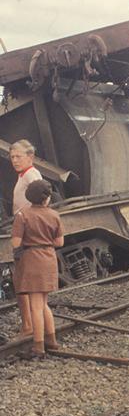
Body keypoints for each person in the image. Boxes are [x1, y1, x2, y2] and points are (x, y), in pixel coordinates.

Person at [11, 179, 63, 356]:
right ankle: (52, 341)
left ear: (28, 197)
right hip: (49, 258)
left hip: (32, 260)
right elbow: (59, 242)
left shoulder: (22, 215)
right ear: (47, 198)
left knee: (35, 306)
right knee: (43, 303)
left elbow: (16, 242)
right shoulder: (55, 215)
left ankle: (38, 346)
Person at [9, 139, 42, 339]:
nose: (14, 160)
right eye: (12, 157)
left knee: (22, 280)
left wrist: (27, 220)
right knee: (20, 279)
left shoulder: (32, 175)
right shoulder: (24, 175)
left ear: (30, 157)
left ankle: (29, 326)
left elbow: (43, 200)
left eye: (18, 156)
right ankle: (28, 324)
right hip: (22, 230)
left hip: (26, 234)